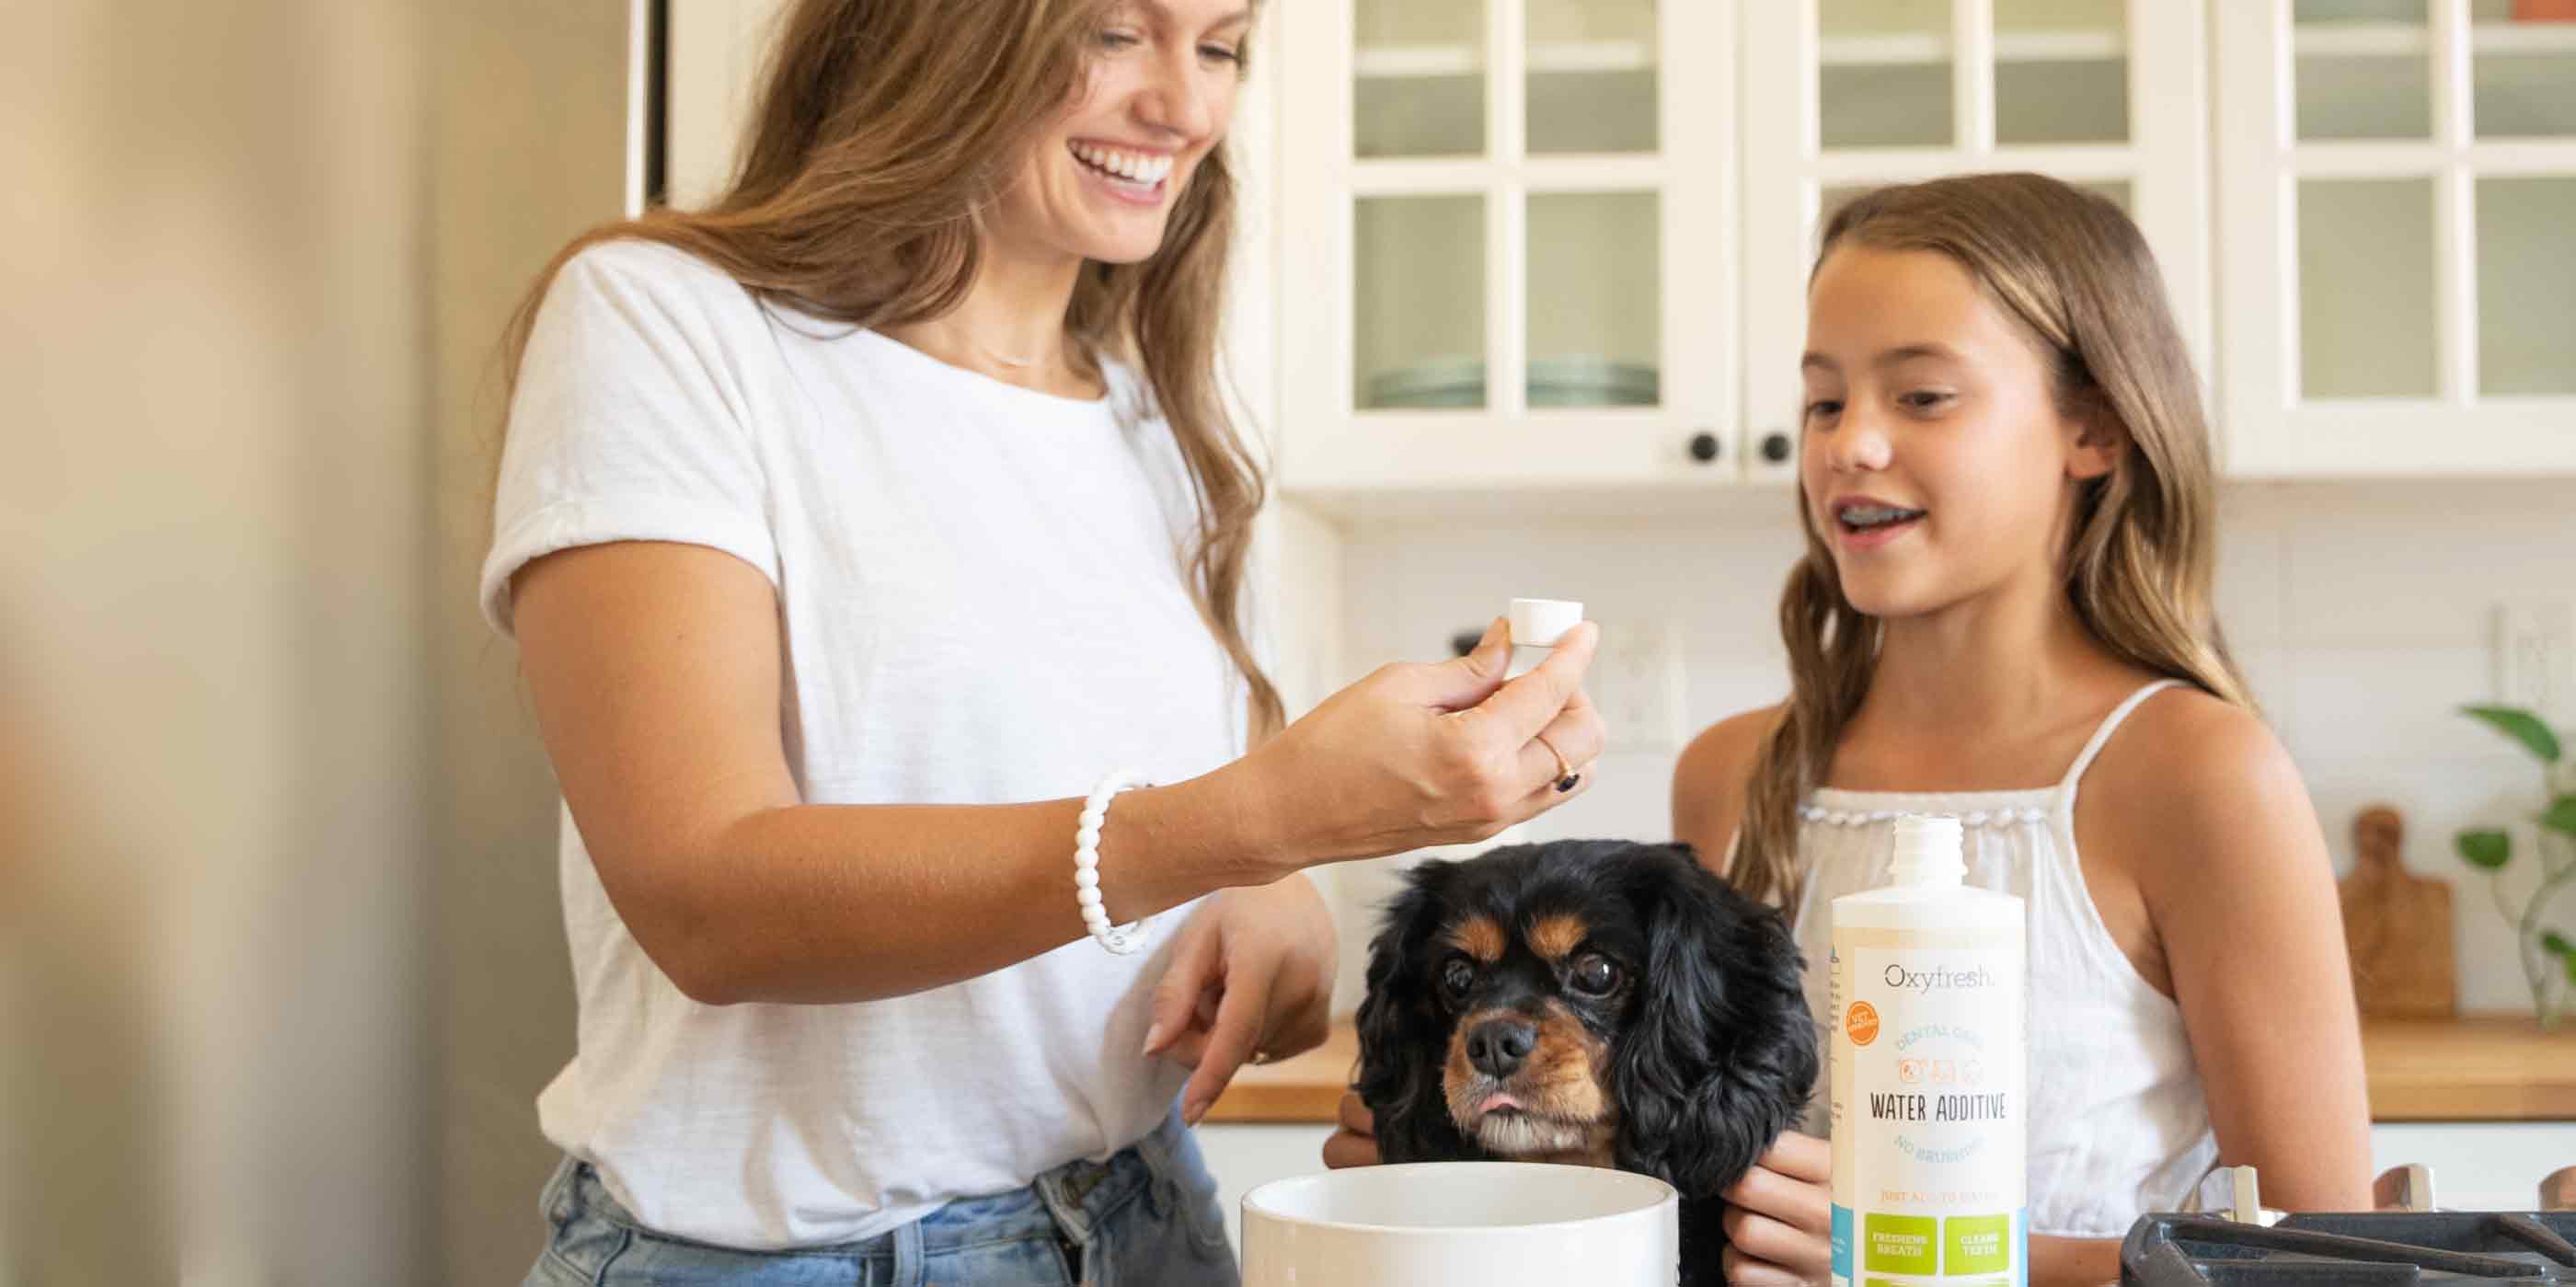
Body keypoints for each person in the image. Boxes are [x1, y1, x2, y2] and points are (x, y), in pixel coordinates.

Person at [481, 2, 1605, 1283]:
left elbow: (1198, 839)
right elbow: (706, 897)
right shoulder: (671, 325)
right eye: (1116, 31)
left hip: (1140, 1220)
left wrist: (1273, 901)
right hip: (795, 1255)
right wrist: (1257, 823)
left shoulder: (1153, 423)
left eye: (1221, 45)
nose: (1184, 106)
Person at [1326, 173, 2373, 1286]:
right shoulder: (1737, 776)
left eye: (1920, 397)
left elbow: (2326, 1256)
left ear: (2096, 428)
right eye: (1825, 402)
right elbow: (1684, 1159)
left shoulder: (2195, 773)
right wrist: (1449, 1158)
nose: (1848, 446)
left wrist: (1937, 1261)